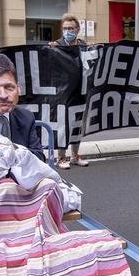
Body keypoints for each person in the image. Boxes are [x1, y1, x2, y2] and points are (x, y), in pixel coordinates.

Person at [48, 13, 89, 170]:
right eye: (65, 28)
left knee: (77, 124)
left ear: (77, 29)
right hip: (63, 93)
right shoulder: (56, 46)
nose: (68, 31)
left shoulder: (83, 45)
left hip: (80, 91)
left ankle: (75, 155)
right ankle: (61, 157)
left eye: (71, 28)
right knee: (63, 124)